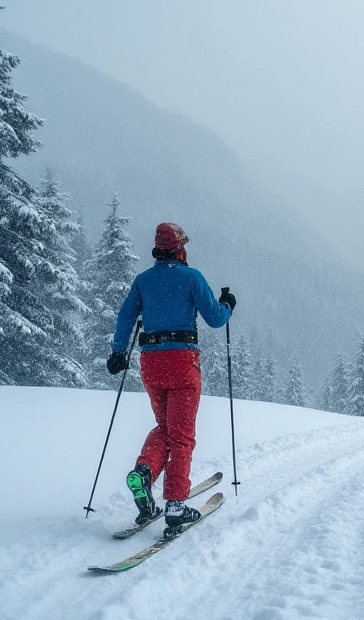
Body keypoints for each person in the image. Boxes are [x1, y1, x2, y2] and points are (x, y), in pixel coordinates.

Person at [107, 222, 235, 535]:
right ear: (179, 248)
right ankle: (176, 505)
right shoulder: (192, 277)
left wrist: (118, 352)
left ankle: (145, 471)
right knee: (181, 435)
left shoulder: (143, 281)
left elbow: (126, 317)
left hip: (151, 362)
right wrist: (228, 305)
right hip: (182, 363)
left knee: (165, 427)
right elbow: (216, 319)